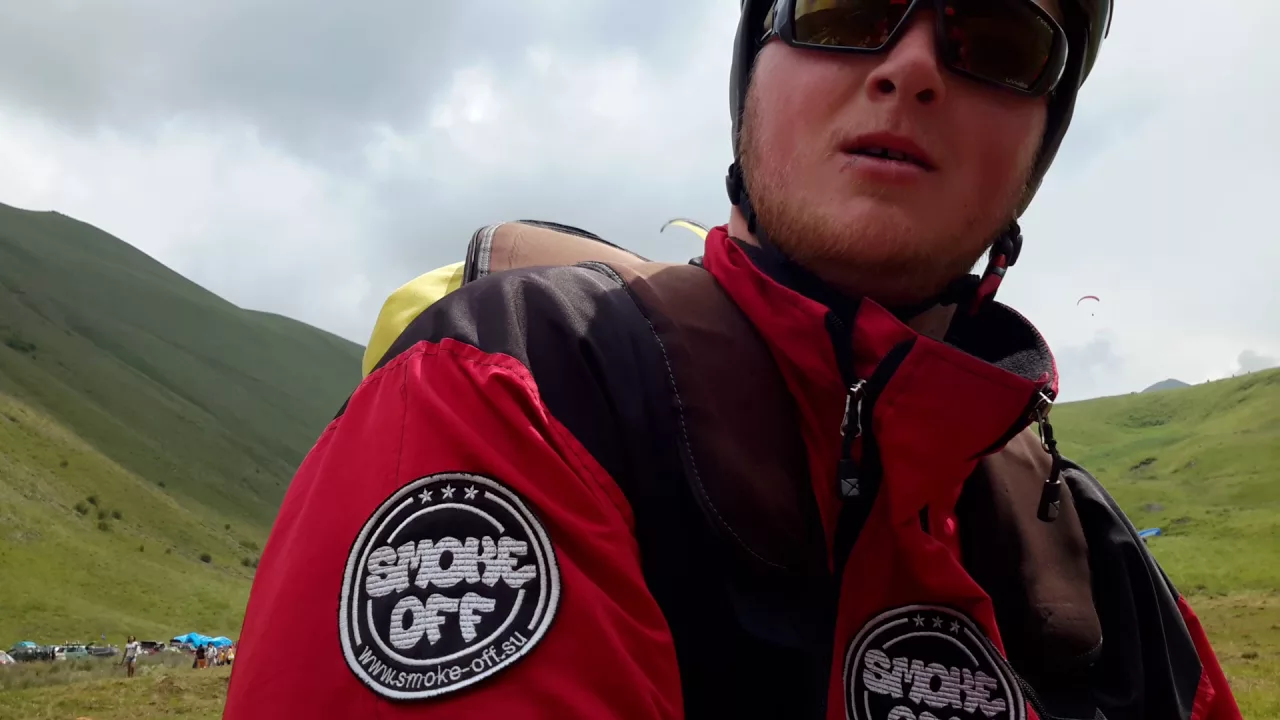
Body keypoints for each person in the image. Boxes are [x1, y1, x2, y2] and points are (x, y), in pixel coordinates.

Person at [226, 1, 1242, 718]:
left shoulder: (1096, 563)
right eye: (844, 10)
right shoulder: (524, 380)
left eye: (1002, 40)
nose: (911, 68)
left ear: (1038, 147)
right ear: (752, 69)